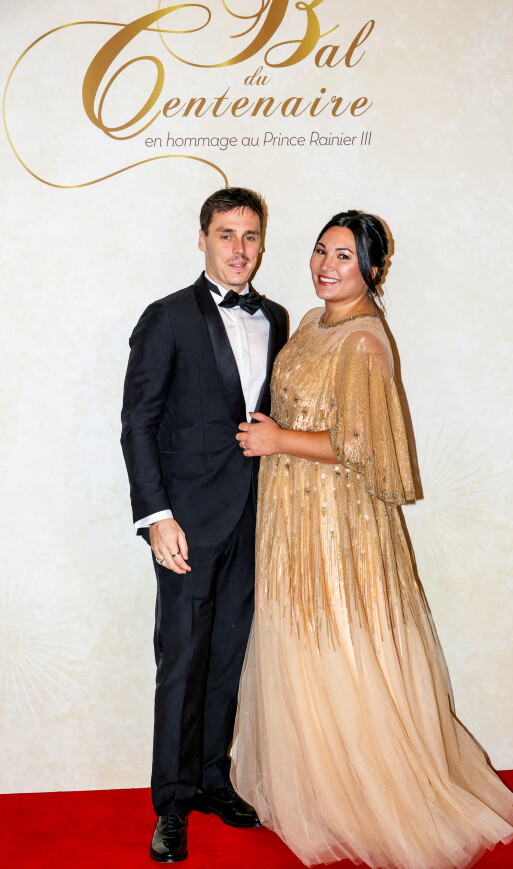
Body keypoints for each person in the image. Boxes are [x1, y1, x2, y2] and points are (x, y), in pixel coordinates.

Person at [230, 211, 513, 868]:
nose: (325, 265)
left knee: (341, 639)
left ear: (373, 269)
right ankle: (322, 788)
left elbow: (362, 445)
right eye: (319, 250)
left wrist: (277, 440)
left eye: (342, 256)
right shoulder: (310, 322)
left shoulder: (365, 340)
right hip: (293, 511)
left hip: (338, 521)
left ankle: (366, 795)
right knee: (299, 638)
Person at [120, 187, 288, 863]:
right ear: (202, 239)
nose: (239, 249)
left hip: (256, 517)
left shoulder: (275, 316)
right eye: (226, 235)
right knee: (182, 661)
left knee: (228, 656)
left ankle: (215, 779)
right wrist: (157, 517)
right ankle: (172, 801)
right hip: (186, 523)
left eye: (250, 236)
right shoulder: (165, 319)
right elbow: (138, 423)